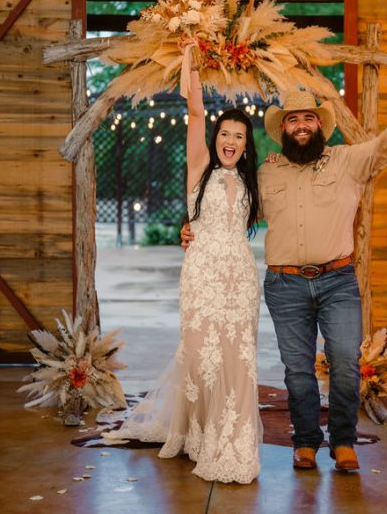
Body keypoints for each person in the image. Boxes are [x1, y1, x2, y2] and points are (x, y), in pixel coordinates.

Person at [184, 90, 387, 472]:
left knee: (345, 360)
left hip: (337, 281)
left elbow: (380, 151)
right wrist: (191, 228)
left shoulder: (345, 161)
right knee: (297, 369)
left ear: (320, 125)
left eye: (308, 118)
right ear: (284, 130)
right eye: (293, 120)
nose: (301, 125)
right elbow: (230, 209)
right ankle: (305, 442)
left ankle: (343, 442)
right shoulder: (267, 172)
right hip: (285, 284)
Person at [102, 50, 263, 484]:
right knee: (201, 356)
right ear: (216, 138)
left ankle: (232, 440)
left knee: (237, 358)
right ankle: (197, 432)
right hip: (202, 275)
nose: (230, 141)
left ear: (247, 145)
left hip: (240, 279)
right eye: (225, 133)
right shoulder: (199, 168)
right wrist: (189, 59)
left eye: (239, 136)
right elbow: (195, 111)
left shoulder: (252, 180)